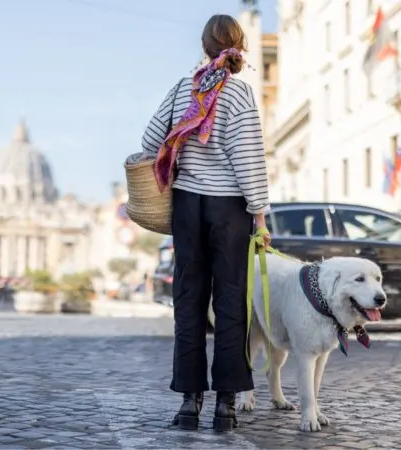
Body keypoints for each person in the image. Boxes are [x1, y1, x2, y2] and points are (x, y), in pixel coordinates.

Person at [140, 14, 272, 432]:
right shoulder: (239, 94)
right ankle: (226, 407)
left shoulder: (183, 88)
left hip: (187, 207)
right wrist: (261, 215)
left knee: (188, 301)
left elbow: (149, 140)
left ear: (204, 46)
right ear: (239, 49)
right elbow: (247, 157)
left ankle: (188, 404)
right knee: (231, 303)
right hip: (228, 209)